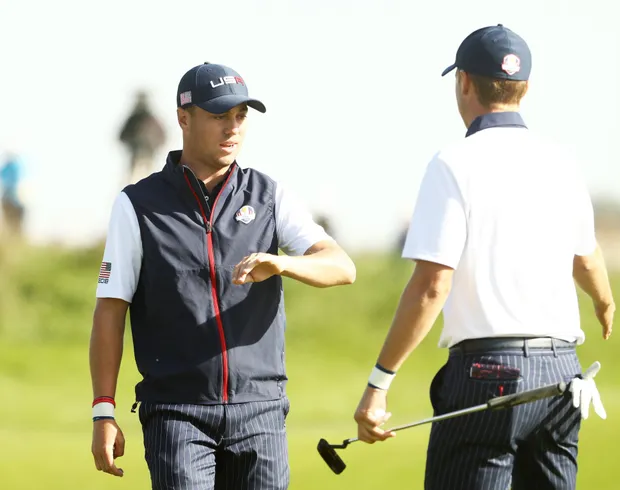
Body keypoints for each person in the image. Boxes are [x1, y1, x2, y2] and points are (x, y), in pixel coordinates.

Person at [352, 24, 614, 490]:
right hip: (561, 369)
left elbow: (433, 284)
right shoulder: (563, 159)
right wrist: (604, 303)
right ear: (525, 88)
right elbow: (587, 257)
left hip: (488, 371)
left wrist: (379, 383)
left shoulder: (453, 162)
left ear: (465, 82)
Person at [90, 62, 357, 490]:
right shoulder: (137, 205)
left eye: (240, 116)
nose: (232, 128)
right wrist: (104, 410)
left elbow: (342, 266)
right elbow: (110, 309)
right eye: (218, 116)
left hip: (261, 410)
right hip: (178, 413)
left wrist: (284, 263)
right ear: (183, 117)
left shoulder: (269, 195)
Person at [118, 90, 167, 185]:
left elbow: (162, 137)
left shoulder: (151, 120)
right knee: (132, 183)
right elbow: (122, 137)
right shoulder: (133, 119)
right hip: (136, 157)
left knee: (150, 183)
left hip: (148, 157)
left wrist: (152, 145)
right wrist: (135, 142)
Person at [0, 152, 25, 237]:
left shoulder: (9, 168)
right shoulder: (11, 168)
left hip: (9, 198)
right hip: (9, 198)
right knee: (11, 217)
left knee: (12, 217)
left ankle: (13, 233)